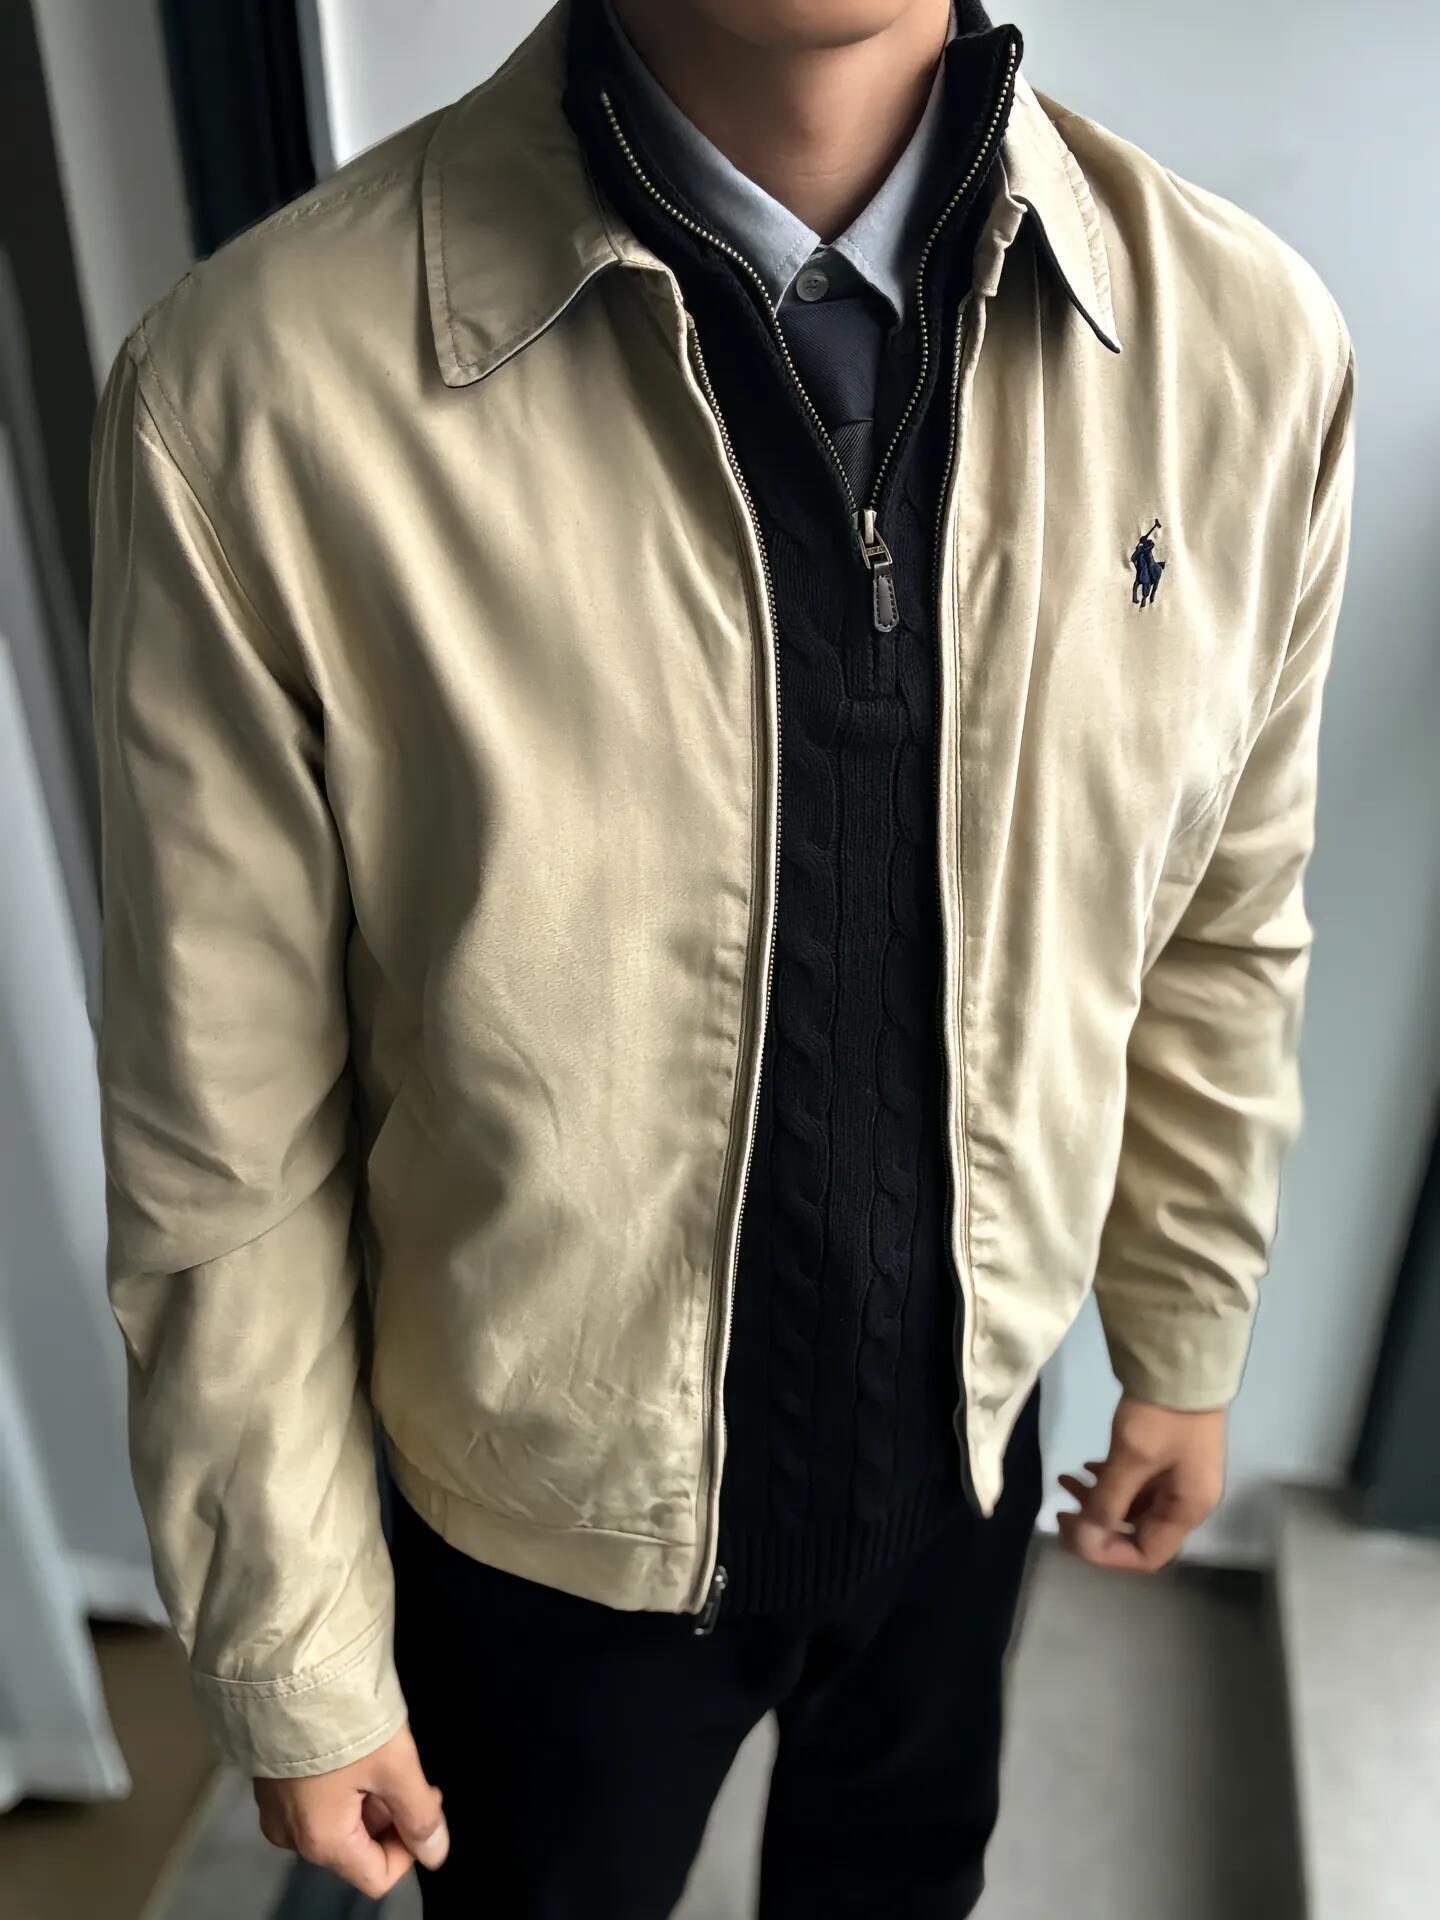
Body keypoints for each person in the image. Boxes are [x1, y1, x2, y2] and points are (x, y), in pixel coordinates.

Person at [86, 0, 1355, 1913]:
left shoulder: (1244, 347)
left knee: (904, 1879)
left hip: (966, 1445)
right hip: (538, 1522)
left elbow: (1219, 916)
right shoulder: (259, 394)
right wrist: (293, 1642)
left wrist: (1183, 1328)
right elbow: (222, 1121)